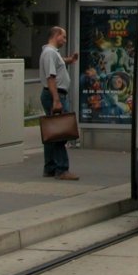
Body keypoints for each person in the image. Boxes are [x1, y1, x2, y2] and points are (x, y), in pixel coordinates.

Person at [39, 26, 79, 180]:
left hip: (53, 94)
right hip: (55, 95)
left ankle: (49, 167)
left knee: (51, 132)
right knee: (60, 132)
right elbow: (51, 77)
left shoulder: (51, 52)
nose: (65, 40)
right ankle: (62, 169)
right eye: (64, 36)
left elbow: (59, 64)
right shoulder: (50, 53)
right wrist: (56, 100)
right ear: (56, 35)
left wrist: (70, 60)